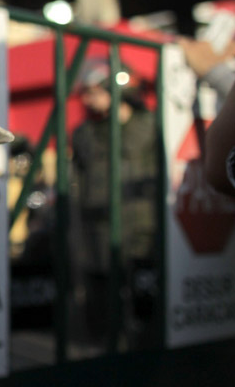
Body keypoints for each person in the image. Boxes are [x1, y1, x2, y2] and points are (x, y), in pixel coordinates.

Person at [69, 59, 158, 349]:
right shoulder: (85, 133)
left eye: (95, 90)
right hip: (96, 231)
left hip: (140, 231)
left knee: (141, 303)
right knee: (100, 303)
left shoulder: (147, 126)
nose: (87, 98)